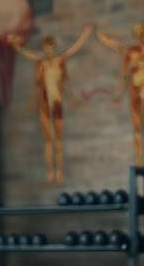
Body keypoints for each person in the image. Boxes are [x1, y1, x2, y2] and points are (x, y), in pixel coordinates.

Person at [7, 26, 93, 184]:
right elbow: (30, 58)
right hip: (45, 104)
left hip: (58, 103)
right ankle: (50, 171)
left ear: (53, 48)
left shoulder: (60, 62)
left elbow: (72, 51)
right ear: (44, 49)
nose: (49, 51)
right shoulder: (41, 64)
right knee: (48, 140)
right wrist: (15, 45)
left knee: (58, 140)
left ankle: (59, 171)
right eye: (46, 48)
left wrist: (84, 35)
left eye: (51, 48)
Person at [95, 13, 144, 167]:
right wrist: (119, 94)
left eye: (142, 32)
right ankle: (138, 161)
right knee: (137, 128)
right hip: (135, 90)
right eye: (137, 33)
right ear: (135, 34)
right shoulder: (130, 52)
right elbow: (124, 74)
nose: (140, 35)